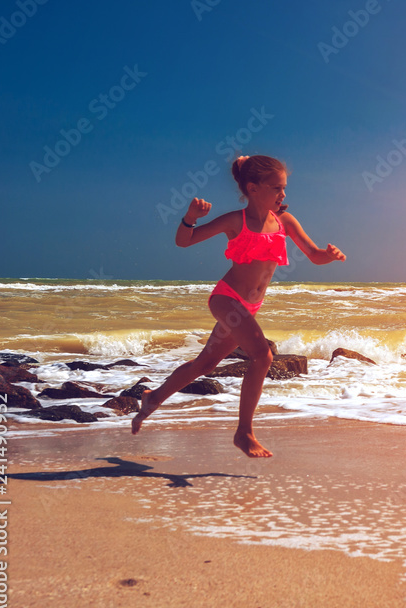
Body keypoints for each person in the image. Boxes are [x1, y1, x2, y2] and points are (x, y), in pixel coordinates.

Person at [131, 155, 346, 457]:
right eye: (277, 188)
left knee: (206, 363)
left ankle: (154, 398)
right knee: (262, 355)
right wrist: (190, 217)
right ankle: (244, 432)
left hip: (250, 305)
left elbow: (313, 255)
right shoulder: (236, 221)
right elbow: (184, 241)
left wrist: (329, 254)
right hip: (227, 299)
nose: (283, 195)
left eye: (284, 188)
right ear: (253, 188)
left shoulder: (284, 222)